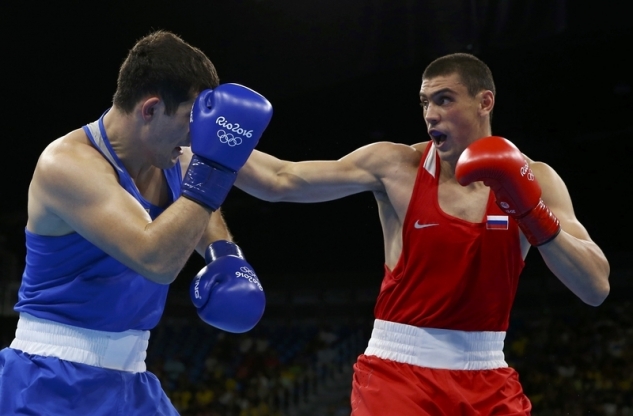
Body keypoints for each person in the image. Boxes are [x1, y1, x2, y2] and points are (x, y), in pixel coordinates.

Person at [234, 52, 610, 415]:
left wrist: (532, 212)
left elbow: (595, 287)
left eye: (444, 100)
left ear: (485, 102)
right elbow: (281, 179)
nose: (430, 115)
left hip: (489, 374)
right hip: (398, 373)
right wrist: (204, 143)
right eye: (425, 102)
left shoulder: (537, 179)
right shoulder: (397, 166)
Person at [0, 30, 271, 415]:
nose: (197, 137)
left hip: (132, 380)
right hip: (49, 379)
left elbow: (283, 179)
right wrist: (216, 167)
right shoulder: (66, 164)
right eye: (188, 121)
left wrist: (223, 252)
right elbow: (155, 259)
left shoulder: (171, 159)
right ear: (150, 109)